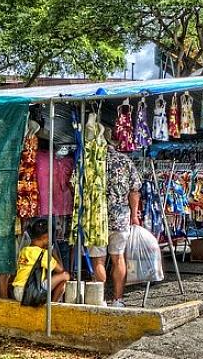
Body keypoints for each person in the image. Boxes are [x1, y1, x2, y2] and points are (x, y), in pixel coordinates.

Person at [88, 127, 142, 308]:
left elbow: (74, 185)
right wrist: (134, 216)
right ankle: (118, 299)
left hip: (96, 218)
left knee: (98, 260)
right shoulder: (125, 161)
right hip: (120, 217)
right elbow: (135, 191)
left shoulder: (90, 160)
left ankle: (100, 299)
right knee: (118, 257)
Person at [12, 218, 70, 303]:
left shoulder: (24, 250)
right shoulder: (43, 254)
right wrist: (53, 252)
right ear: (45, 237)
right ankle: (52, 305)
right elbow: (61, 270)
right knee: (65, 276)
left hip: (17, 291)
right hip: (30, 293)